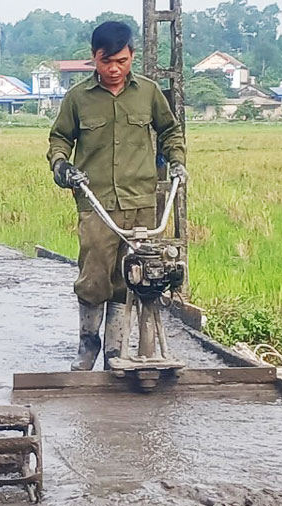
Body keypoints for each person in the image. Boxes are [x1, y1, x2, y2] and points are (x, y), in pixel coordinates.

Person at [47, 21, 187, 371]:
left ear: (132, 57)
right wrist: (61, 166)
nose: (113, 69)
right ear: (93, 57)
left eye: (121, 61)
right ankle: (87, 348)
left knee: (131, 277)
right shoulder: (78, 98)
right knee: (94, 278)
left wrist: (177, 162)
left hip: (140, 202)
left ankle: (115, 351)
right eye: (105, 61)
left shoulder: (149, 93)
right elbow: (59, 140)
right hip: (96, 202)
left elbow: (170, 131)